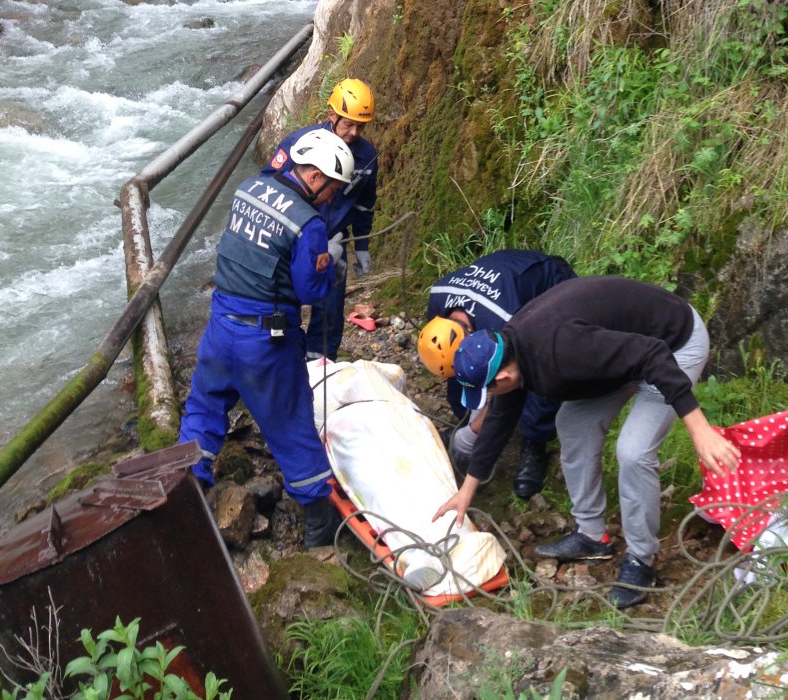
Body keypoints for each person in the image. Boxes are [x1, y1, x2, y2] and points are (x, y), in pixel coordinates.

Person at [432, 276, 741, 608]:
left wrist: (700, 430)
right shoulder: (510, 349)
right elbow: (500, 420)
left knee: (633, 451)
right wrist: (467, 490)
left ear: (503, 377)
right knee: (573, 422)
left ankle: (642, 561)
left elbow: (651, 355)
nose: (490, 398)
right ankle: (592, 535)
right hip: (625, 351)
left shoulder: (561, 349)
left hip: (673, 344)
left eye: (488, 390)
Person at [179, 129, 355, 549]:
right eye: (333, 188)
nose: (333, 198)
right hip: (265, 344)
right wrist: (330, 265)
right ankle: (317, 521)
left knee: (203, 409)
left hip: (220, 328)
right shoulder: (307, 223)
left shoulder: (247, 189)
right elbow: (311, 291)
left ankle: (189, 496)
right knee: (291, 423)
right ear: (315, 177)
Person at [417, 250, 576, 499]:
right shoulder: (438, 298)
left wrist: (474, 433)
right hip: (503, 279)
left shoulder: (507, 321)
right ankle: (468, 422)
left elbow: (506, 383)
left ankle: (535, 443)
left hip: (545, 279)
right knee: (463, 388)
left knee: (535, 374)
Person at [262, 78, 378, 361]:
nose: (354, 132)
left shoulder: (366, 157)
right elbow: (269, 183)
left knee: (330, 307)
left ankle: (321, 361)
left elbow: (364, 204)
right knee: (284, 298)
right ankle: (278, 355)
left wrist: (361, 246)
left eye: (360, 126)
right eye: (348, 123)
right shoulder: (301, 144)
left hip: (334, 241)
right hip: (293, 238)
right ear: (331, 115)